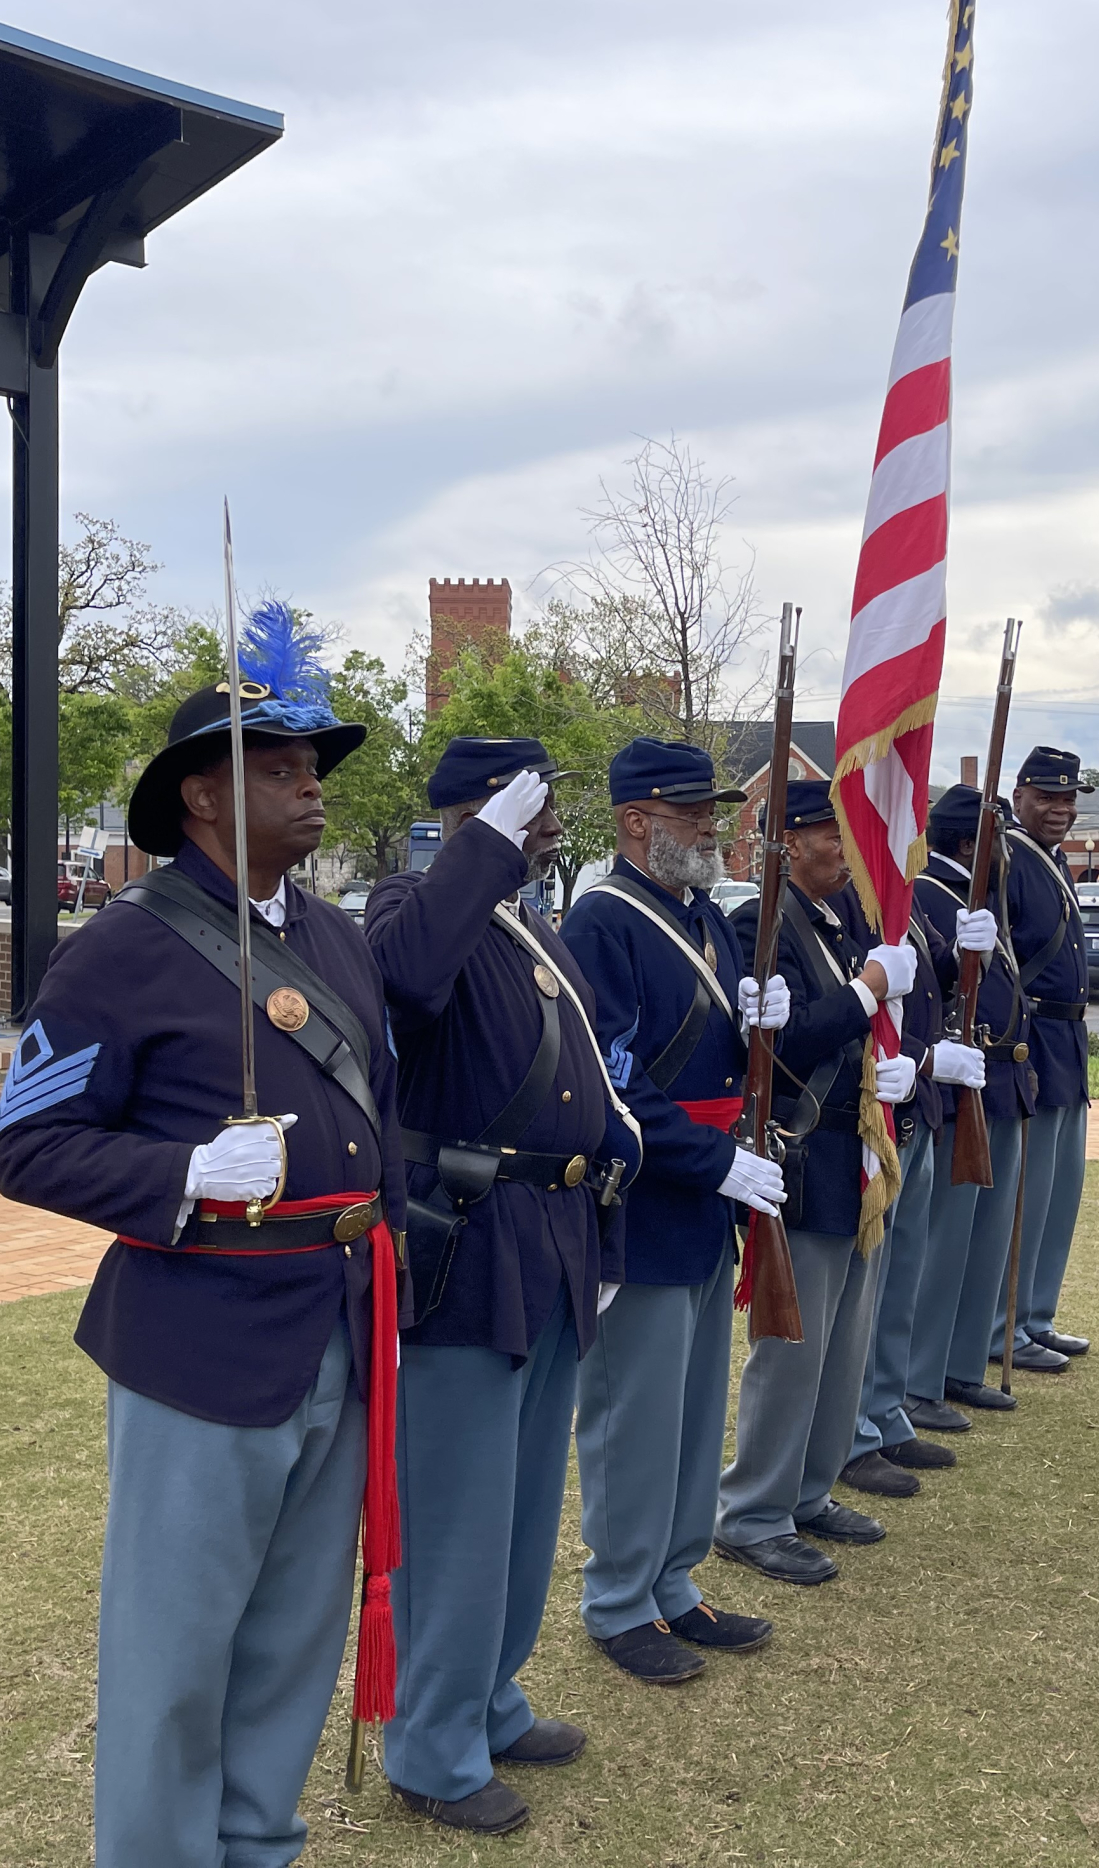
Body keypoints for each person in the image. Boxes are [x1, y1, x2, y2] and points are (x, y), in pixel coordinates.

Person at [0, 627, 407, 1868]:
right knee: (176, 1649)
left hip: (336, 1317)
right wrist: (179, 1173)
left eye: (310, 761)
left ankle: (257, 1844)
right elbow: (26, 1144)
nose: (310, 781)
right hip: (200, 1343)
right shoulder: (116, 950)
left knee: (292, 1634)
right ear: (203, 794)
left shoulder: (335, 941)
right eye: (277, 765)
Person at [365, 737, 643, 1836]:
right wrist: (475, 849)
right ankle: (429, 1746)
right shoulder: (409, 906)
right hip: (466, 1246)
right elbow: (405, 981)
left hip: (554, 1235)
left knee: (526, 1509)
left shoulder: (526, 923)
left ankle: (489, 1696)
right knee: (459, 1518)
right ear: (477, 813)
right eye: (530, 807)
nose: (549, 824)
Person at [560, 738, 789, 1684]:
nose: (712, 828)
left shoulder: (705, 914)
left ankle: (675, 1582)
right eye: (693, 814)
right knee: (634, 1419)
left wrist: (757, 1023)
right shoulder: (602, 924)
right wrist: (716, 1162)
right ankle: (619, 1599)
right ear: (634, 823)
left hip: (706, 1197)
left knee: (697, 1413)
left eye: (712, 812)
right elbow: (614, 1089)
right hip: (648, 1202)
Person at [713, 780, 921, 1582]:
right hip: (803, 1155)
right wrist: (869, 988)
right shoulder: (759, 927)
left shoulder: (850, 922)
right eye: (832, 833)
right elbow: (788, 1042)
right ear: (789, 842)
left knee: (843, 1347)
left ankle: (808, 1488)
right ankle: (754, 1510)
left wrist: (903, 1062)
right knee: (792, 1349)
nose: (847, 848)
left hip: (857, 1156)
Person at [844, 878, 985, 1496]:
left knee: (900, 1284)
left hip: (913, 1113)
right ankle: (850, 1432)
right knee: (862, 1300)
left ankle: (884, 1408)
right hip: (874, 1117)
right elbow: (858, 1018)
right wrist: (927, 1058)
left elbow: (922, 994)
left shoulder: (902, 898)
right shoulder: (848, 903)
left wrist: (960, 957)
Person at [902, 784, 1034, 1430]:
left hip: (988, 1083)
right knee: (942, 1247)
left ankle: (954, 1366)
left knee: (975, 1245)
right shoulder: (930, 895)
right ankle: (921, 1377)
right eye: (998, 840)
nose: (1007, 853)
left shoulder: (976, 901)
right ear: (969, 843)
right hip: (949, 1094)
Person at [996, 745, 1096, 1373]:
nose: (1059, 809)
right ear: (1019, 797)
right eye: (1047, 797)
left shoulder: (1052, 861)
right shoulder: (1007, 858)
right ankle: (1004, 1325)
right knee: (1025, 1200)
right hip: (1033, 1038)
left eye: (1068, 798)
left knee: (1060, 1195)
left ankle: (1038, 1314)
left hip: (1069, 1044)